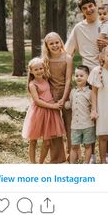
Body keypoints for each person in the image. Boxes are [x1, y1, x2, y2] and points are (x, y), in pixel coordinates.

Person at [65, 0, 108, 163]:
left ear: (95, 6)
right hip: (89, 76)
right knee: (91, 116)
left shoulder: (106, 24)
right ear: (82, 12)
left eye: (91, 6)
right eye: (85, 8)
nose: (89, 10)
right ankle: (90, 154)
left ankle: (107, 155)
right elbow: (68, 52)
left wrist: (107, 43)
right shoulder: (78, 28)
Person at [22, 57, 65, 164]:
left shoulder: (46, 79)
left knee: (47, 142)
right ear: (31, 71)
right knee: (33, 140)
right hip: (39, 112)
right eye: (36, 69)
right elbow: (37, 101)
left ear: (44, 68)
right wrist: (53, 106)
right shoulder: (32, 84)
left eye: (41, 68)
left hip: (50, 113)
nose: (39, 71)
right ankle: (33, 163)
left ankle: (40, 163)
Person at [42, 32, 73, 163]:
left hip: (66, 94)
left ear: (61, 42)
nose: (55, 45)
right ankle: (57, 157)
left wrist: (63, 98)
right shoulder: (45, 59)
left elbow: (68, 80)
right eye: (51, 44)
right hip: (51, 96)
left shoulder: (68, 58)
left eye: (57, 42)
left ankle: (72, 153)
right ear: (47, 46)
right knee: (54, 127)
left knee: (69, 125)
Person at [65, 65, 96, 164]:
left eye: (81, 75)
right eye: (77, 75)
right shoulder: (73, 92)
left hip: (87, 124)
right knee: (74, 146)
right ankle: (72, 164)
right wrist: (67, 104)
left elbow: (94, 106)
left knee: (88, 145)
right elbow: (70, 103)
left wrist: (93, 112)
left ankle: (86, 163)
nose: (78, 77)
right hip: (75, 125)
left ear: (87, 77)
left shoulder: (90, 92)